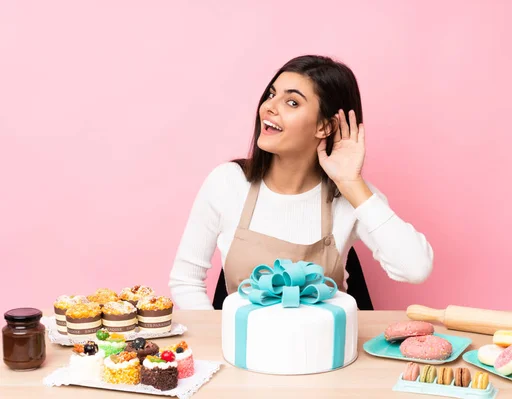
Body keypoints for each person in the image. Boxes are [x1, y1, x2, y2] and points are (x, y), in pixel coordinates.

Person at [169, 55, 433, 309]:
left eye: (292, 102)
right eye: (272, 94)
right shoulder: (227, 182)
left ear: (325, 127)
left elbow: (415, 269)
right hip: (239, 352)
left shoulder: (348, 196)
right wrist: (223, 336)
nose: (269, 106)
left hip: (326, 352)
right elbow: (185, 280)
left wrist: (351, 184)